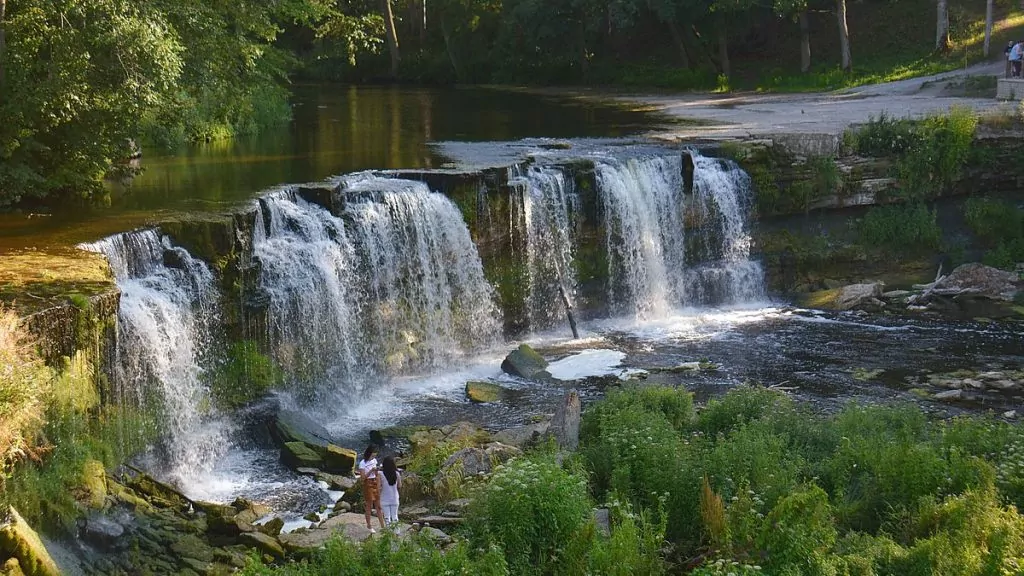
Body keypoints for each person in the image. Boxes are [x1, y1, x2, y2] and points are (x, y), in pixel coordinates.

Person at [358, 444, 385, 532]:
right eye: (372, 455)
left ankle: (382, 525)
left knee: (378, 506)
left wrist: (376, 472)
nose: (373, 457)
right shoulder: (362, 463)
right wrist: (371, 471)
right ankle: (369, 525)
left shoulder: (374, 461)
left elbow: (376, 474)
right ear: (368, 454)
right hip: (368, 483)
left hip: (375, 481)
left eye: (374, 456)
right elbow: (363, 478)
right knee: (369, 505)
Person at [379, 455, 402, 529]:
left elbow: (379, 487)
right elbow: (399, 486)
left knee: (387, 517)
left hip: (384, 499)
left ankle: (389, 534)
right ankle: (397, 532)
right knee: (395, 516)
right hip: (394, 498)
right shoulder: (397, 474)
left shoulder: (380, 474)